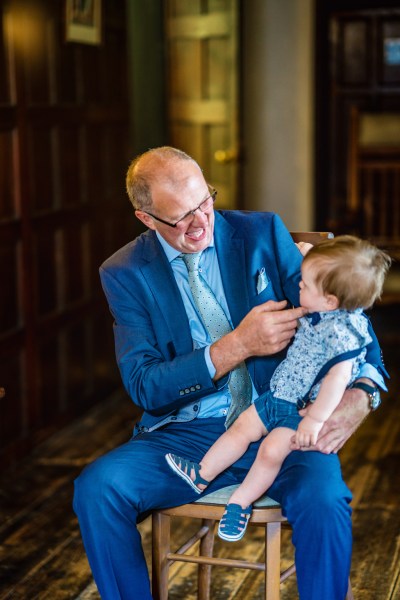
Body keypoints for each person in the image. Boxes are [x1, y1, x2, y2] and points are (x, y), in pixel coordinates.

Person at [73, 146, 388, 600]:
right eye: (182, 217)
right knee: (97, 489)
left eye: (206, 201)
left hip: (282, 420)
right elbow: (145, 384)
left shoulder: (261, 232)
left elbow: (348, 322)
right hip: (185, 435)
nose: (202, 221)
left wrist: (359, 397)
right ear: (146, 219)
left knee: (325, 499)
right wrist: (235, 346)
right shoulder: (124, 272)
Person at [166, 235, 391, 542]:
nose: (300, 284)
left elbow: (337, 382)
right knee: (242, 427)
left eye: (306, 284)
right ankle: (200, 475)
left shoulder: (344, 334)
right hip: (280, 394)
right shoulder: (325, 304)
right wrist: (308, 255)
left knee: (271, 451)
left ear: (330, 301)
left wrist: (314, 420)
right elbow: (318, 278)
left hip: (301, 412)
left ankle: (239, 504)